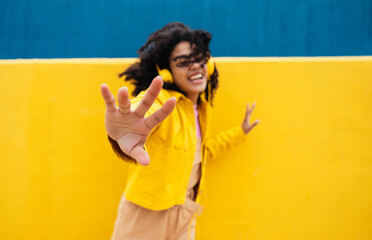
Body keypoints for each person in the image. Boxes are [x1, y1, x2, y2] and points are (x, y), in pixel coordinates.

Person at [100, 22, 259, 240]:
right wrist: (132, 118)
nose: (195, 66)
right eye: (183, 62)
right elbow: (150, 105)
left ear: (209, 65)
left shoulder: (200, 110)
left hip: (184, 211)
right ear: (167, 72)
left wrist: (240, 132)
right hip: (145, 211)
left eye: (199, 59)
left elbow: (203, 151)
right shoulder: (166, 102)